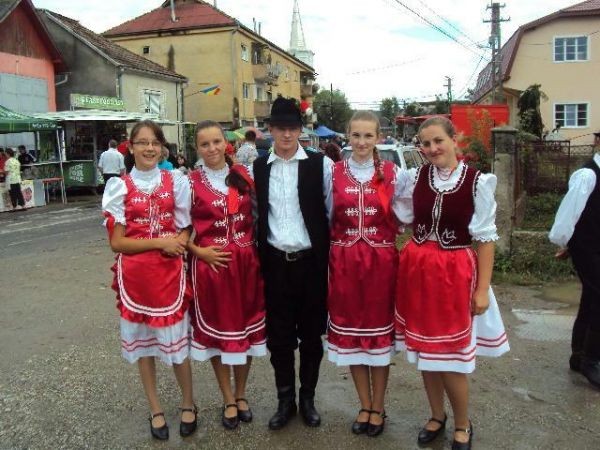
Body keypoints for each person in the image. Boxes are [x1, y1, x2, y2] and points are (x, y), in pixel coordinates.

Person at [394, 116, 509, 450]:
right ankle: (436, 415)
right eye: (425, 143)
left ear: (454, 139)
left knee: (452, 358)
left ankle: (462, 423)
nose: (432, 149)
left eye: (438, 141)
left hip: (454, 274)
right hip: (418, 272)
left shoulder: (477, 182)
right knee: (426, 353)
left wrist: (482, 289)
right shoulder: (415, 177)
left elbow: (485, 240)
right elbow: (399, 214)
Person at [102, 120, 198, 440]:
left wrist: (180, 241)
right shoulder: (120, 186)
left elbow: (185, 225)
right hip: (136, 278)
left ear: (162, 147)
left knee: (177, 346)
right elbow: (117, 243)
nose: (149, 148)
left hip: (169, 275)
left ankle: (188, 403)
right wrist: (161, 242)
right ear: (130, 147)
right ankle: (155, 408)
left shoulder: (176, 180)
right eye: (142, 142)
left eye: (154, 142)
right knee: (144, 348)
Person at [253, 97, 333, 430]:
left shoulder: (320, 165)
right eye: (280, 128)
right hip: (275, 263)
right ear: (270, 130)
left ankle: (308, 399)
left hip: (310, 263)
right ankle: (284, 400)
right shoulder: (259, 167)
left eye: (293, 128)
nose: (287, 134)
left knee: (312, 337)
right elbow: (256, 214)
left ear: (301, 130)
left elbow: (331, 212)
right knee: (279, 338)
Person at [326, 111, 403, 437]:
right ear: (348, 136)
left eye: (368, 136)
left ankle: (379, 405)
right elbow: (326, 214)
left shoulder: (394, 173)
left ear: (378, 138)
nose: (361, 142)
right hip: (344, 262)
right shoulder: (333, 172)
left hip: (381, 264)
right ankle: (364, 404)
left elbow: (407, 214)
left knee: (378, 339)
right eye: (356, 135)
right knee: (353, 337)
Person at [187, 120, 267, 430]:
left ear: (226, 143)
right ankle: (227, 397)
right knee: (219, 335)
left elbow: (261, 217)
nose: (212, 149)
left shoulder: (244, 175)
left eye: (216, 142)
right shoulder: (189, 182)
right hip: (212, 267)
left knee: (246, 331)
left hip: (246, 264)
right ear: (197, 148)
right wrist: (200, 252)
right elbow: (180, 230)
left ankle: (241, 393)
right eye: (205, 144)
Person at [549, 130, 600, 389]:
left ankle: (579, 356)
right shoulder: (587, 175)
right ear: (598, 142)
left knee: (592, 297)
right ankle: (591, 359)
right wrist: (566, 242)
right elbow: (570, 213)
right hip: (588, 246)